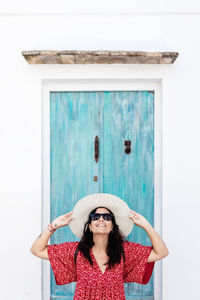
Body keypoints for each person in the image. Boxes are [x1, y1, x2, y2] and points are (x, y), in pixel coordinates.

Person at [30, 193, 169, 299]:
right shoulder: (75, 251)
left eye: (107, 217)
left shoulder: (125, 251)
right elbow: (37, 250)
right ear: (89, 226)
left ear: (112, 226)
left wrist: (145, 224)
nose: (101, 219)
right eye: (95, 217)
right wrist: (54, 225)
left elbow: (161, 252)